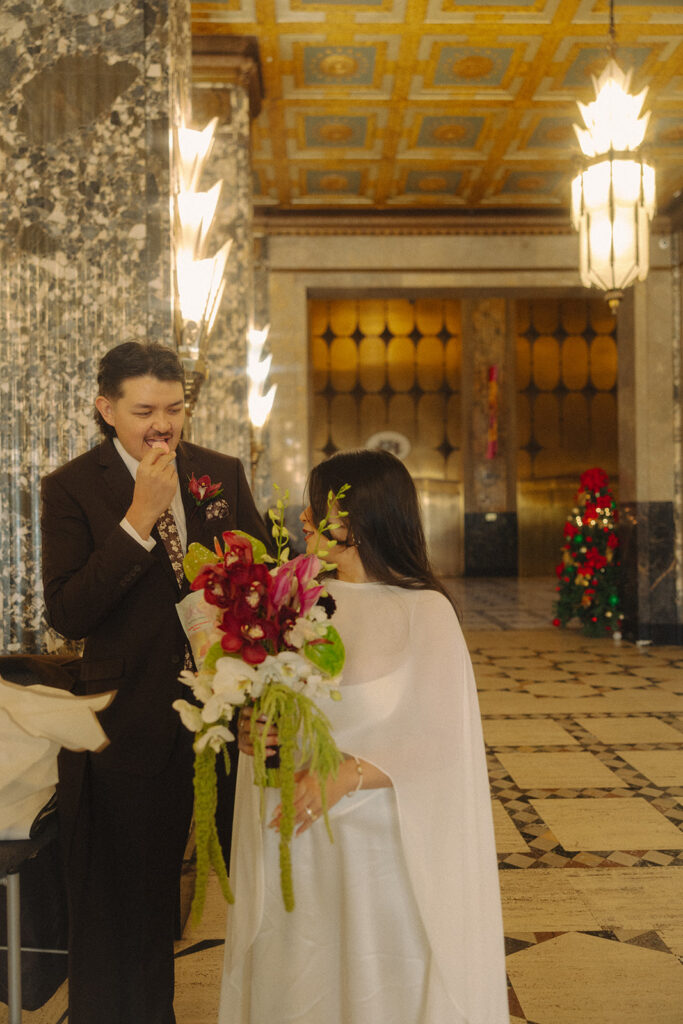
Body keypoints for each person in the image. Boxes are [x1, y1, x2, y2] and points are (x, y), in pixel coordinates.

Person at [219, 449, 508, 1024]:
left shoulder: (424, 612)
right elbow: (267, 696)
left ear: (363, 518)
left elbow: (443, 740)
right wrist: (250, 728)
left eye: (318, 508)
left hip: (381, 858)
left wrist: (346, 773)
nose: (304, 519)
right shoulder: (289, 597)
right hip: (296, 847)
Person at [40, 341, 271, 1024]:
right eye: (145, 411)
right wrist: (139, 518)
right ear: (106, 409)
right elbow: (69, 611)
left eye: (174, 409)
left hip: (228, 716)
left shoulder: (220, 473)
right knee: (129, 903)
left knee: (259, 887)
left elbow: (259, 580)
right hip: (130, 721)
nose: (162, 426)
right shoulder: (74, 488)